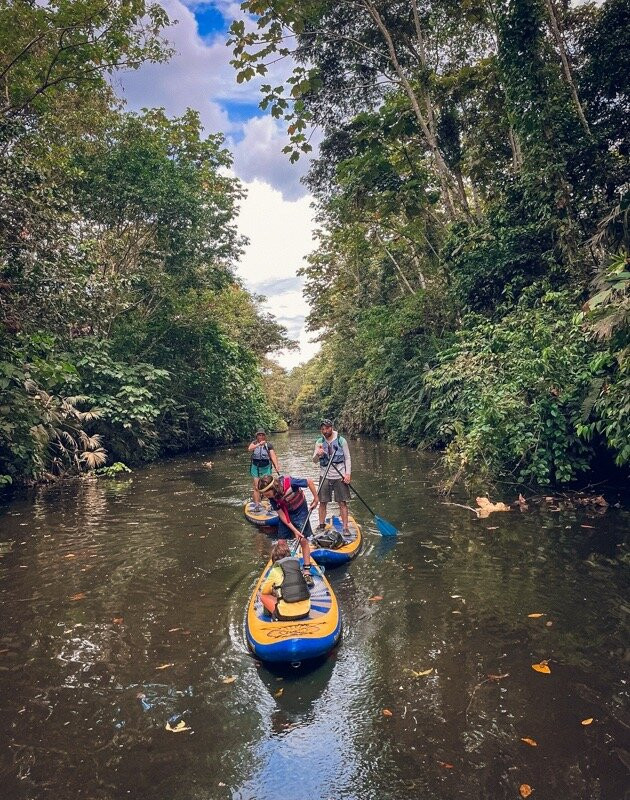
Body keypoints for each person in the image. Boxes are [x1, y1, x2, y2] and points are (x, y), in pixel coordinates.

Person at [258, 473, 318, 586]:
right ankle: (285, 567)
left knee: (303, 540)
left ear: (273, 488)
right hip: (286, 514)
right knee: (281, 542)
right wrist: (294, 530)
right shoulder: (272, 499)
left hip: (300, 510)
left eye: (266, 493)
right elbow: (282, 515)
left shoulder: (290, 483)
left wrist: (316, 498)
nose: (266, 496)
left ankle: (306, 572)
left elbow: (309, 481)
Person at [313, 418, 352, 534]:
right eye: (323, 429)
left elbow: (347, 458)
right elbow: (314, 460)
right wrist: (318, 455)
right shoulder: (319, 442)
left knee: (342, 502)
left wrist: (348, 474)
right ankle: (321, 525)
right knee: (322, 502)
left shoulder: (341, 441)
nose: (325, 431)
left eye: (327, 428)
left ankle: (345, 528)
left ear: (331, 428)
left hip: (339, 474)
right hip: (324, 475)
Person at [259, 540, 311, 620]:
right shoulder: (298, 567)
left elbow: (264, 591)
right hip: (306, 611)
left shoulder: (275, 570)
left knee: (263, 596)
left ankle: (271, 617)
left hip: (284, 615)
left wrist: (274, 591)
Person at [247, 429, 279, 511]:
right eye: (259, 435)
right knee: (256, 487)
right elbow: (250, 449)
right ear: (257, 436)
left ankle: (270, 503)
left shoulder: (269, 445)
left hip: (266, 467)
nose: (261, 436)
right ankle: (257, 505)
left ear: (265, 436)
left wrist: (276, 465)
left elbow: (273, 456)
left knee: (268, 487)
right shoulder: (254, 443)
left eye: (262, 435)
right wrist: (258, 445)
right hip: (255, 467)